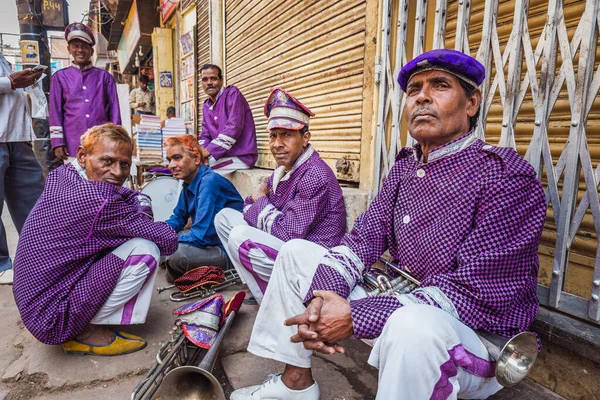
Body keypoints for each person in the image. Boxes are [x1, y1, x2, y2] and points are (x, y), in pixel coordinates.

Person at [230, 49, 547, 400]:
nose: (422, 96)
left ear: (471, 103)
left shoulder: (506, 176)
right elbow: (362, 239)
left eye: (439, 85)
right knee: (294, 253)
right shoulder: (404, 168)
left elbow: (472, 293)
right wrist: (325, 299)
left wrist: (356, 315)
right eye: (414, 90)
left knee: (412, 328)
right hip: (403, 303)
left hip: (473, 339)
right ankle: (295, 385)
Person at [13, 123, 178, 356]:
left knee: (125, 236)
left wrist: (135, 208)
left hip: (35, 306)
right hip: (52, 320)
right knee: (147, 250)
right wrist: (142, 213)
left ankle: (82, 320)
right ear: (82, 156)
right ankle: (84, 330)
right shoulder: (101, 203)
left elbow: (127, 194)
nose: (118, 172)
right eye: (107, 161)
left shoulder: (63, 175)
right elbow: (168, 241)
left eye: (124, 164)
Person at [214, 88, 346, 304]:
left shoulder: (314, 174)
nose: (277, 144)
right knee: (224, 218)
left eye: (286, 135)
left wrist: (260, 202)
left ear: (305, 139)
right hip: (288, 240)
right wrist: (259, 204)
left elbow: (287, 233)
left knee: (240, 237)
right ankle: (261, 289)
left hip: (313, 259)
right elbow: (250, 203)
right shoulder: (283, 168)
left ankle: (271, 300)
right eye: (273, 136)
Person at [163, 134, 244, 283]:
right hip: (208, 242)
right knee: (168, 239)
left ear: (196, 159)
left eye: (177, 158)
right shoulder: (189, 183)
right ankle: (179, 271)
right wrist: (157, 234)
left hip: (225, 250)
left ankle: (179, 270)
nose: (171, 166)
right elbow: (178, 218)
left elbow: (201, 236)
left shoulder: (209, 182)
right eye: (169, 160)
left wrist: (167, 242)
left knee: (176, 253)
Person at [0, 53, 45, 285]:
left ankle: (38, 259)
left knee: (34, 205)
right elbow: (8, 85)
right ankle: (1, 266)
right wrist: (12, 81)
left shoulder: (2, 57)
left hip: (18, 138)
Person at [50, 22, 121, 161]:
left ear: (91, 51)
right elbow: (55, 112)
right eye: (75, 46)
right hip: (72, 143)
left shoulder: (105, 77)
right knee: (74, 181)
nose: (80, 50)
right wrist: (57, 142)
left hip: (102, 143)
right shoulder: (59, 77)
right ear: (69, 49)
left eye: (84, 46)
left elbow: (115, 112)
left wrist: (116, 141)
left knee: (101, 181)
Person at [199, 64, 257, 175]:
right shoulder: (206, 105)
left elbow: (234, 127)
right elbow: (205, 135)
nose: (209, 82)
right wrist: (201, 153)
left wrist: (209, 151)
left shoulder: (232, 94)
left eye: (213, 78)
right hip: (221, 156)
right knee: (191, 166)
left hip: (240, 157)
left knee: (198, 171)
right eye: (205, 80)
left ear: (221, 80)